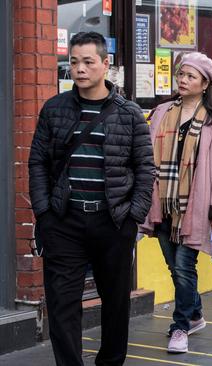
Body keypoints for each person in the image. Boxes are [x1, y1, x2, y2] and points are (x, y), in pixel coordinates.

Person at [28, 32, 155, 366]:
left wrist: (133, 218)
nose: (79, 69)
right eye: (73, 62)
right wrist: (44, 213)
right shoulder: (54, 109)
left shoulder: (128, 114)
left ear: (105, 64)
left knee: (115, 306)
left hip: (112, 223)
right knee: (62, 305)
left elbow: (145, 169)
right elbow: (38, 162)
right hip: (64, 223)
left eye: (87, 61)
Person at [139, 52, 212, 353]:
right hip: (162, 203)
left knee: (183, 266)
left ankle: (180, 327)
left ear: (205, 84)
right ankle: (195, 313)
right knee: (173, 265)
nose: (183, 80)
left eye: (191, 76)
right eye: (181, 74)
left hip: (195, 205)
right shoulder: (161, 112)